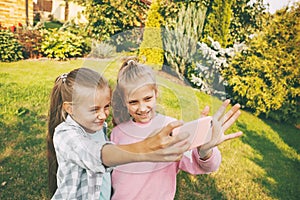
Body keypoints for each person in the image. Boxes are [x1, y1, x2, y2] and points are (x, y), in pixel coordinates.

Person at [47, 67, 192, 199]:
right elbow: (97, 154)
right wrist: (145, 149)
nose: (103, 116)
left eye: (106, 107)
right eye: (94, 109)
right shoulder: (65, 135)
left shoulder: (98, 128)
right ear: (70, 109)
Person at [110, 58, 242, 200]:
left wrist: (205, 151)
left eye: (147, 98)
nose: (142, 108)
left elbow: (205, 166)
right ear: (124, 101)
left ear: (156, 93)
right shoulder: (117, 133)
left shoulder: (172, 129)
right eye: (133, 102)